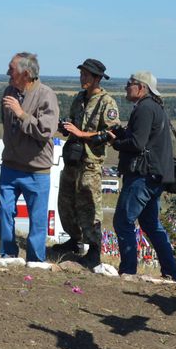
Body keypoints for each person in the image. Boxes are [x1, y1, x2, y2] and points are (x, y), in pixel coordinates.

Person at [107, 71, 176, 281]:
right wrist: (122, 133)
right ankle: (172, 272)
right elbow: (143, 139)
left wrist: (116, 143)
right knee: (150, 225)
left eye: (129, 84)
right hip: (154, 175)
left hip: (142, 176)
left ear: (141, 87)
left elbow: (138, 144)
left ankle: (128, 271)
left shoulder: (145, 108)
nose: (126, 87)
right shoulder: (154, 107)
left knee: (123, 221)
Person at [0, 52, 59, 267]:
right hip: (11, 165)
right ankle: (8, 254)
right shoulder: (9, 91)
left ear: (26, 73)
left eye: (11, 70)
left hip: (36, 169)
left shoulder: (46, 95)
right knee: (3, 210)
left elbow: (45, 130)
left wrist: (21, 113)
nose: (7, 74)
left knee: (38, 218)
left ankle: (35, 259)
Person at [54, 58, 119, 268]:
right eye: (81, 74)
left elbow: (112, 132)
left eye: (86, 75)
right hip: (73, 158)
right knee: (66, 201)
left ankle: (94, 249)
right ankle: (75, 240)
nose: (82, 78)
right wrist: (66, 128)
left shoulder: (106, 102)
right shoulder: (79, 99)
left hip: (90, 162)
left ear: (97, 79)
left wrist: (82, 134)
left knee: (89, 205)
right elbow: (73, 125)